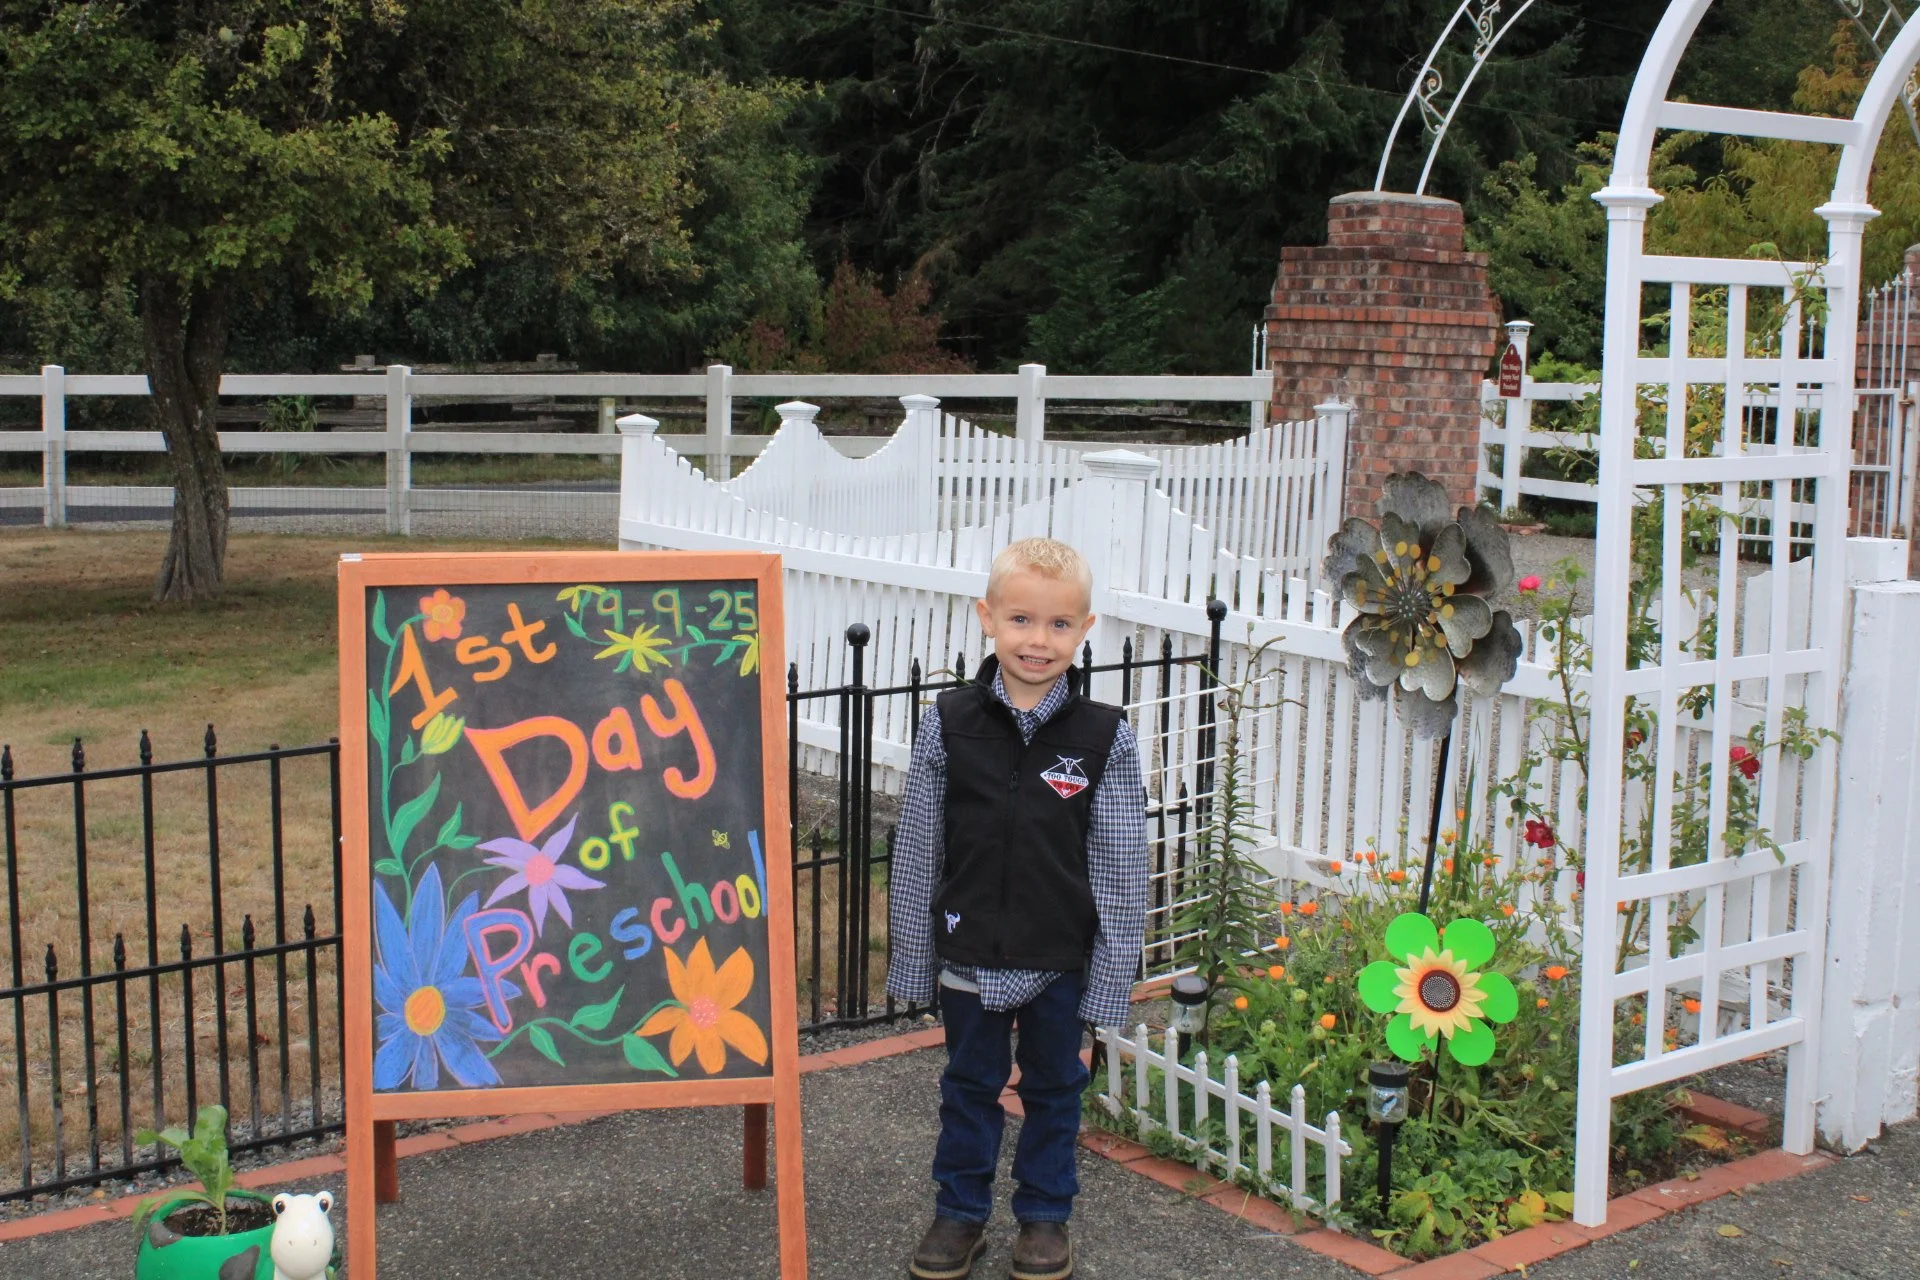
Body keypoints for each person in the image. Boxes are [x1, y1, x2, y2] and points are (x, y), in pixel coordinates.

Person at [887, 537, 1148, 1280]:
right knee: (968, 1088)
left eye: (1059, 625)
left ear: (1085, 629)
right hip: (969, 949)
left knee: (1054, 1090)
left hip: (1059, 957)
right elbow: (918, 847)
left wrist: (1107, 986)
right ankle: (960, 1212)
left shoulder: (1104, 738)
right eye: (1023, 621)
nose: (1039, 641)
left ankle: (1044, 1216)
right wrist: (915, 955)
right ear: (987, 619)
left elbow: (1124, 868)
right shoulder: (949, 721)